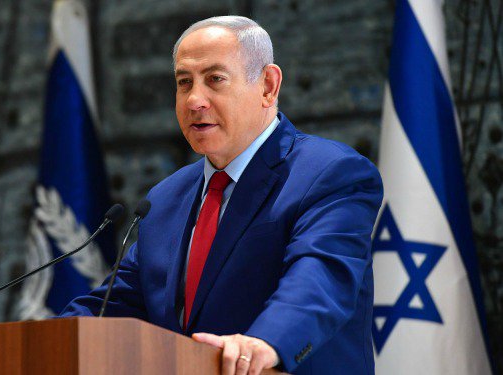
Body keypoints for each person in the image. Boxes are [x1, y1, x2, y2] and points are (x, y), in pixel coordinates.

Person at [60, 16, 382, 375]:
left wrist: (264, 343)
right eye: (184, 82)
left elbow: (319, 279)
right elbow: (114, 304)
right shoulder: (166, 199)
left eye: (215, 79)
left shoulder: (330, 173)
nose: (195, 99)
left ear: (268, 86)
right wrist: (47, 340)